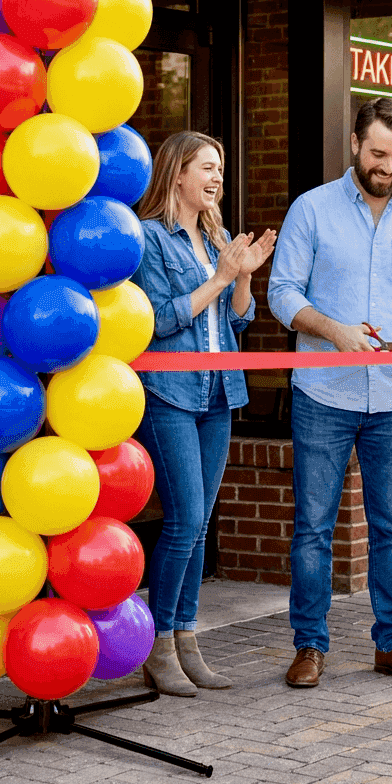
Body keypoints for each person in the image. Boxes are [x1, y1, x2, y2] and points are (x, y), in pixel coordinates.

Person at [267, 96, 392, 689]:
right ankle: (309, 647)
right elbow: (282, 293)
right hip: (323, 392)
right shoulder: (312, 210)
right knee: (314, 528)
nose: (388, 165)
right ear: (354, 144)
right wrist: (335, 330)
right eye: (378, 153)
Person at [133, 130, 276, 696]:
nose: (218, 178)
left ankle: (187, 640)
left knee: (200, 526)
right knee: (185, 520)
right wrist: (218, 277)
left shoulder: (216, 235)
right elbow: (157, 320)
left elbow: (239, 322)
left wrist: (242, 275)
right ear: (177, 175)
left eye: (220, 168)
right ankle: (158, 645)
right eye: (208, 168)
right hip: (169, 391)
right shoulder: (149, 238)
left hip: (219, 392)